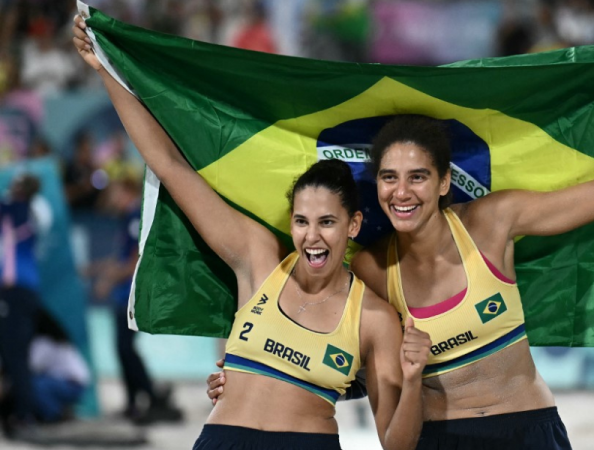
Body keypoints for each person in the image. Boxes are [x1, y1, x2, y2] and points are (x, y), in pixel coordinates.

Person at [209, 39, 594, 448]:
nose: (401, 192)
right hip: (435, 438)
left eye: (417, 177)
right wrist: (251, 381)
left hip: (527, 427)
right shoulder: (370, 269)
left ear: (446, 181)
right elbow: (344, 357)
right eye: (388, 177)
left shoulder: (493, 222)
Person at [73, 14, 429, 450]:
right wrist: (107, 68)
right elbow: (170, 165)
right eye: (301, 221)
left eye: (327, 222)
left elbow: (397, 443)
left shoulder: (373, 318)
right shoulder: (260, 260)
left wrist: (412, 383)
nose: (311, 236)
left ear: (353, 225)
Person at [90, 177, 183, 424]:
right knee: (123, 349)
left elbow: (134, 262)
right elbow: (122, 258)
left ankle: (148, 395)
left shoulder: (134, 217)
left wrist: (107, 279)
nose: (112, 199)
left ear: (128, 191)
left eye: (116, 193)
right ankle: (134, 401)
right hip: (125, 295)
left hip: (131, 296)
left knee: (125, 348)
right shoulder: (127, 219)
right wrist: (96, 269)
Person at [0, 174, 42, 440]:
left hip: (14, 290)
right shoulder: (33, 212)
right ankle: (22, 413)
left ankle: (23, 415)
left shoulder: (15, 209)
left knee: (13, 356)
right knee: (17, 356)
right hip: (24, 290)